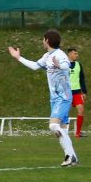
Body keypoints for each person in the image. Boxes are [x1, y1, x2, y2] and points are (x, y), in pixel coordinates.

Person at [8, 29, 79, 166]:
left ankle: (70, 156)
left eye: (43, 39)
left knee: (53, 125)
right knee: (62, 130)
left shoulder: (59, 54)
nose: (42, 41)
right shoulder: (47, 56)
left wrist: (60, 65)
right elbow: (35, 66)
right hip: (55, 98)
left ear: (47, 40)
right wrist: (18, 58)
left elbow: (67, 65)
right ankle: (71, 157)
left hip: (63, 97)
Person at [67, 48, 87, 137]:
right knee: (64, 112)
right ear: (70, 54)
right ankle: (61, 131)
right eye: (75, 54)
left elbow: (82, 79)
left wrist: (84, 92)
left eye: (77, 54)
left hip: (77, 92)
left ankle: (78, 133)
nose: (77, 55)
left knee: (81, 110)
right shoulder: (64, 65)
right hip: (66, 92)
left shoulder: (79, 65)